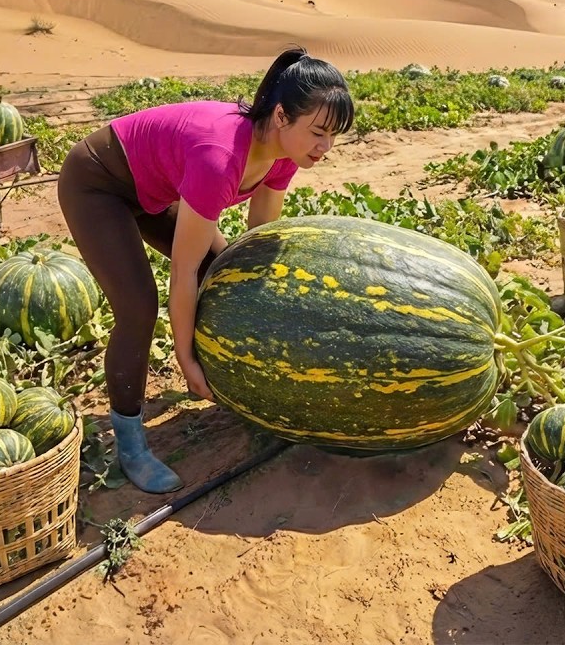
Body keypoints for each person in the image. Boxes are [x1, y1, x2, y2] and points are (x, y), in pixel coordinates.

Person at [57, 47, 355, 493]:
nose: (325, 147)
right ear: (281, 116)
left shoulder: (284, 154)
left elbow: (257, 244)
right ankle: (131, 445)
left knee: (227, 266)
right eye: (317, 132)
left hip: (153, 188)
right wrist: (186, 358)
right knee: (139, 307)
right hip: (98, 183)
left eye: (333, 135)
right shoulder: (220, 157)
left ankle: (225, 371)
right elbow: (184, 270)